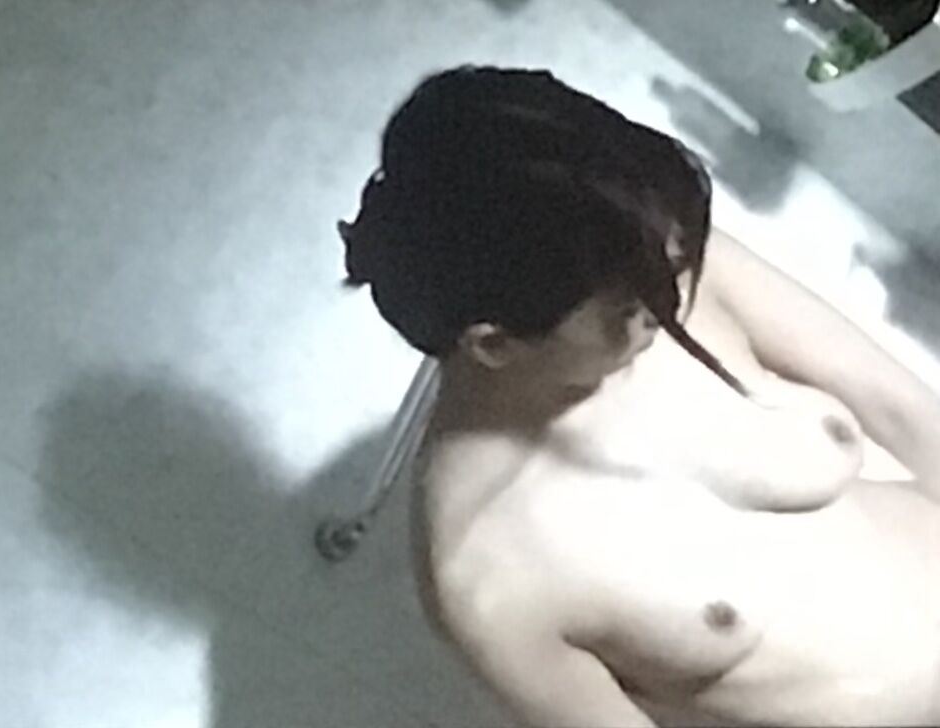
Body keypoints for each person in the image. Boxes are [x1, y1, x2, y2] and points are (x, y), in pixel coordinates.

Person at [339, 65, 940, 726]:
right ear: (496, 343)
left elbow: (903, 409)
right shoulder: (490, 574)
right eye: (627, 310)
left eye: (674, 268)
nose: (667, 305)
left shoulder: (646, 256)